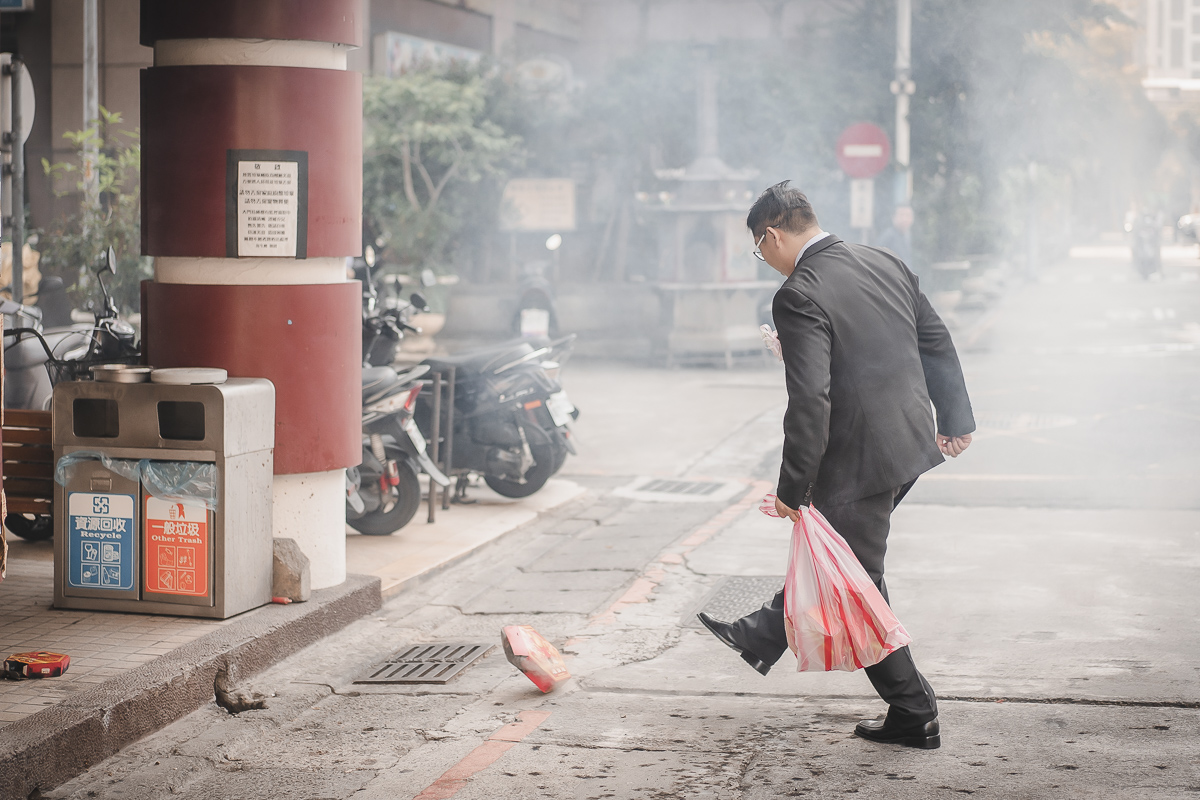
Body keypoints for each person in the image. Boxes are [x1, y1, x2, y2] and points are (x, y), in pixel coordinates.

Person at [698, 181, 974, 750]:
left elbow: (811, 401)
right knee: (849, 566)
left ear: (771, 235)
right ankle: (765, 632)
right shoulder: (882, 260)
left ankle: (913, 711)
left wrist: (791, 491)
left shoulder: (798, 293)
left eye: (759, 249)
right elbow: (933, 340)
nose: (765, 261)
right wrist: (956, 418)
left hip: (861, 457)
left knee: (856, 581)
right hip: (909, 441)